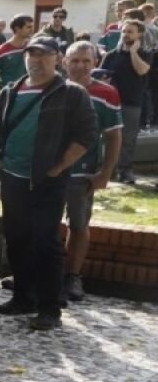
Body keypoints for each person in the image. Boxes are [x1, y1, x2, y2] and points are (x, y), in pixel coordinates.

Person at [0, 36, 97, 330]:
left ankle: (50, 308)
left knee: (46, 243)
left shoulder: (71, 93)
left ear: (57, 58)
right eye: (31, 54)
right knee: (17, 239)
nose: (36, 60)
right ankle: (23, 297)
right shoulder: (11, 91)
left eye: (44, 55)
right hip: (13, 178)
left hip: (47, 181)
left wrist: (59, 167)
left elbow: (86, 135)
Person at [60, 45, 123, 302]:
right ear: (64, 62)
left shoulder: (106, 93)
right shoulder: (53, 88)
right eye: (75, 60)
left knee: (78, 225)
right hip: (49, 171)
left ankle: (73, 276)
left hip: (83, 173)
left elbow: (114, 136)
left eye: (86, 61)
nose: (80, 66)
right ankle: (32, 273)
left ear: (95, 62)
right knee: (39, 223)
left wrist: (105, 173)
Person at [102, 18, 151, 184]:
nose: (125, 34)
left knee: (128, 139)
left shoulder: (145, 53)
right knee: (108, 137)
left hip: (131, 103)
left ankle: (125, 171)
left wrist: (133, 52)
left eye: (130, 32)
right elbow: (101, 76)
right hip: (110, 103)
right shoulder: (111, 55)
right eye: (124, 31)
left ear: (139, 35)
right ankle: (109, 171)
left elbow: (142, 70)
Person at [0, 14, 36, 96]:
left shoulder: (33, 47)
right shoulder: (2, 50)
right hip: (8, 95)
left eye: (32, 27)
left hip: (28, 94)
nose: (32, 30)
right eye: (28, 27)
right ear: (17, 29)